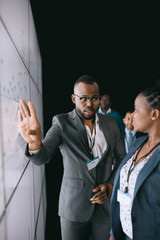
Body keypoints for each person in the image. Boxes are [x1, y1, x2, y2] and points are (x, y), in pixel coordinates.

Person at [19, 75, 126, 240]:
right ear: (73, 98)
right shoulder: (62, 122)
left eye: (94, 98)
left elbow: (121, 160)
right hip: (73, 207)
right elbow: (43, 157)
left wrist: (110, 186)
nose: (90, 104)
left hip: (104, 208)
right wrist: (34, 143)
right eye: (83, 99)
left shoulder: (111, 123)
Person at [110, 86, 160, 240]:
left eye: (136, 109)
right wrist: (113, 233)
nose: (131, 115)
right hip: (124, 234)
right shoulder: (138, 143)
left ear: (154, 114)